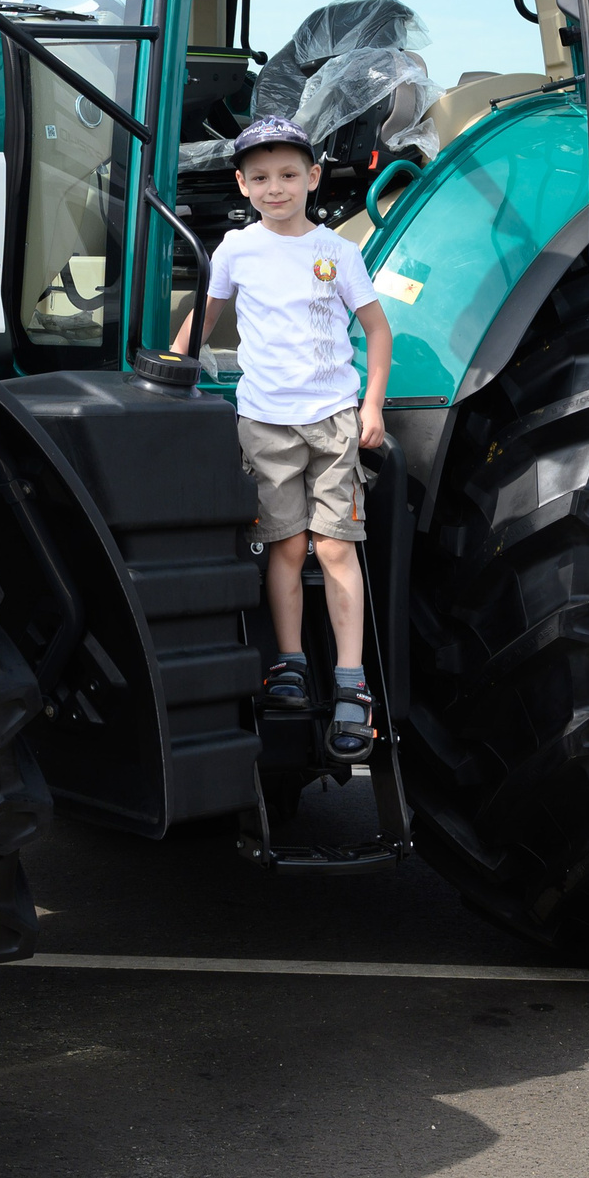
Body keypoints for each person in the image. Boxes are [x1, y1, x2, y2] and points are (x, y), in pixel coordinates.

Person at [169, 116, 395, 760]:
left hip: (331, 420)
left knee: (335, 549)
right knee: (285, 548)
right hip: (264, 423)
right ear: (241, 184)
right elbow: (205, 317)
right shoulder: (237, 251)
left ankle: (352, 685)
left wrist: (370, 405)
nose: (276, 188)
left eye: (289, 175)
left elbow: (377, 331)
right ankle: (291, 664)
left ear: (313, 179)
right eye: (262, 177)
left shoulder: (338, 253)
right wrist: (167, 374)